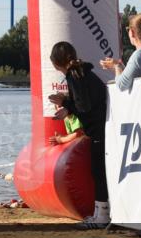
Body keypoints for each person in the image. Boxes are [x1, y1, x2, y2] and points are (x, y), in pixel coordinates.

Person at [47, 41, 110, 228]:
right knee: (98, 172)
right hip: (103, 127)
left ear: (55, 62)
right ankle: (100, 213)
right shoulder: (83, 72)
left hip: (98, 129)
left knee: (98, 172)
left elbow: (84, 107)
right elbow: (86, 102)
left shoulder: (75, 76)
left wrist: (66, 104)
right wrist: (67, 104)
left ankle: (102, 216)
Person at [100, 13, 141, 91]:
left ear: (132, 33)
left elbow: (121, 85)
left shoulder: (138, 56)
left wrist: (117, 66)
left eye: (128, 29)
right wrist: (119, 67)